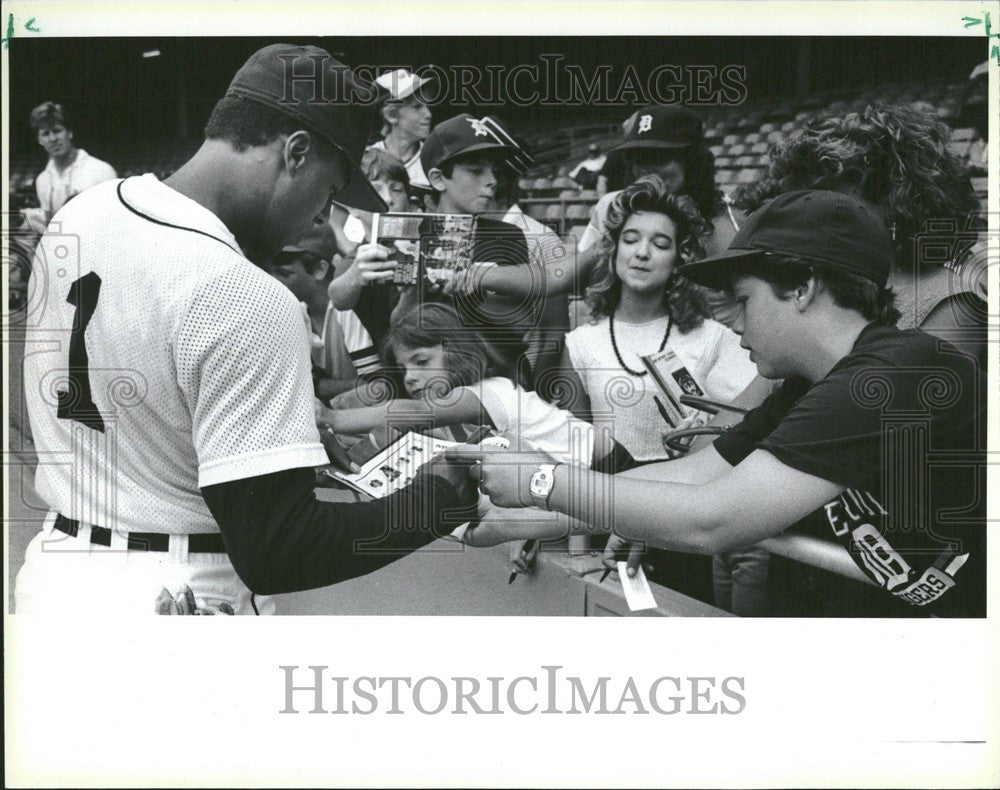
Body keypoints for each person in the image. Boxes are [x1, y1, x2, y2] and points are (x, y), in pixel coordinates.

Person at [16, 44, 477, 616]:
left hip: (52, 579)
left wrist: (244, 430)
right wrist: (437, 500)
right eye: (329, 192)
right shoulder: (247, 295)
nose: (321, 220)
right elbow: (279, 550)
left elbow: (28, 410)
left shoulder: (81, 213)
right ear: (296, 152)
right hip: (175, 599)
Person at [448, 190, 987, 618]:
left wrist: (543, 483)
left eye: (745, 299)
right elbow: (694, 475)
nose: (734, 319)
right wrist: (526, 515)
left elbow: (713, 520)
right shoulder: (814, 383)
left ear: (801, 287)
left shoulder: (897, 373)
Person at [559, 176, 757, 607]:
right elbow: (574, 453)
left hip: (685, 518)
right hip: (607, 514)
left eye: (660, 243)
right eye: (631, 239)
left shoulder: (714, 338)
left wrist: (707, 433)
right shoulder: (581, 342)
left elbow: (747, 431)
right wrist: (580, 552)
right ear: (613, 251)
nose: (642, 252)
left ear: (680, 256)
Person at [732, 103, 987, 369]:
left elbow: (907, 402)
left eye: (836, 199)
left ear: (897, 197)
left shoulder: (955, 297)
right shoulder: (829, 281)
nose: (815, 216)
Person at [318, 303, 633, 475]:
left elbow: (413, 414)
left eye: (422, 361)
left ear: (457, 351)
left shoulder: (487, 393)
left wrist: (333, 419)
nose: (410, 378)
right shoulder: (454, 421)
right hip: (577, 476)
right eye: (404, 369)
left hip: (610, 466)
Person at [261, 220, 382, 403]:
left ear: (319, 269)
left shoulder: (345, 311)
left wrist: (318, 386)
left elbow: (378, 386)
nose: (273, 282)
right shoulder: (297, 312)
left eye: (284, 274)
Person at [22, 101, 117, 234]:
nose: (52, 138)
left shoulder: (101, 170)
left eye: (57, 131)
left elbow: (114, 220)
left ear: (70, 132)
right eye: (45, 134)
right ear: (39, 140)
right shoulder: (42, 180)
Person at [366, 68, 434, 195]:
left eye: (428, 106)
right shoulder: (365, 159)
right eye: (417, 107)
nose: (428, 114)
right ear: (392, 115)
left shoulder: (434, 159)